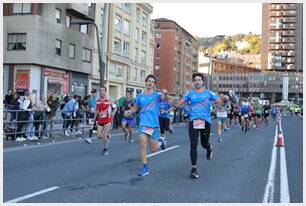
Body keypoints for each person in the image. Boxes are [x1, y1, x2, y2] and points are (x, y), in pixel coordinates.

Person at [177, 73, 221, 179]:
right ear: (193, 82)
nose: (197, 82)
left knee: (204, 143)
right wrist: (183, 106)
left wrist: (224, 99)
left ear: (203, 82)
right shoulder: (190, 94)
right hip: (194, 121)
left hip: (205, 121)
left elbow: (219, 101)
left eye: (199, 80)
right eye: (195, 80)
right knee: (193, 144)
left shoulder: (208, 93)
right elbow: (180, 103)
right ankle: (194, 168)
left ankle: (209, 147)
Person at [125, 75, 167, 177]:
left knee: (153, 149)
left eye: (152, 82)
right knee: (142, 143)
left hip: (154, 124)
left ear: (154, 84)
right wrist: (130, 111)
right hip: (143, 123)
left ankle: (161, 143)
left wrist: (165, 94)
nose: (150, 83)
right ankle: (145, 167)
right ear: (146, 82)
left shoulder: (157, 95)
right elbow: (135, 107)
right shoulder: (140, 96)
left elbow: (163, 98)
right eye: (149, 81)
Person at [92, 86, 117, 155]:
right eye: (100, 90)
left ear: (105, 92)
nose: (101, 92)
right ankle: (107, 136)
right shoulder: (98, 100)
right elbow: (96, 109)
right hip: (100, 120)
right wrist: (94, 118)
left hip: (107, 119)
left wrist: (112, 114)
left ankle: (105, 149)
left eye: (103, 90)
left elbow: (115, 108)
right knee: (98, 136)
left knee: (104, 134)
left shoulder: (109, 99)